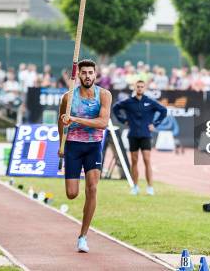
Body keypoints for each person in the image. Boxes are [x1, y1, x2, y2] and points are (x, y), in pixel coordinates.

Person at [57, 59, 112, 253]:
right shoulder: (68, 98)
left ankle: (83, 236)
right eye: (84, 73)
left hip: (93, 146)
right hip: (73, 146)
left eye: (91, 72)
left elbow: (103, 122)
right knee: (72, 194)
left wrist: (76, 119)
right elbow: (61, 120)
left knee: (93, 188)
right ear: (78, 75)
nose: (88, 76)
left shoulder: (104, 95)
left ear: (95, 74)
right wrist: (61, 143)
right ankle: (82, 235)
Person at [112, 80, 167, 195]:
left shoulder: (150, 102)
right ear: (135, 88)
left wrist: (155, 124)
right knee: (134, 161)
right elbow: (115, 108)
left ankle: (150, 187)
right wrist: (123, 120)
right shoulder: (128, 102)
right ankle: (135, 187)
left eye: (142, 86)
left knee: (147, 160)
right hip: (133, 135)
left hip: (146, 135)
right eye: (138, 86)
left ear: (145, 88)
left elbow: (163, 110)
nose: (140, 88)